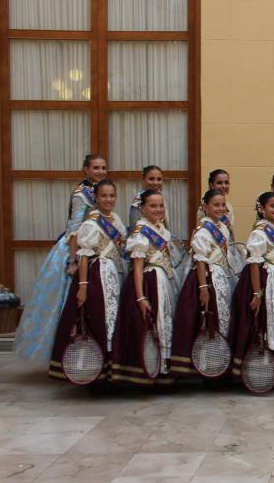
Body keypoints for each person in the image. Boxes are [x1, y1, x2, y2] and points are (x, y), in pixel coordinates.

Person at [15, 154, 106, 365]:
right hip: (76, 249)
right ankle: (65, 352)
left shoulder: (100, 191)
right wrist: (72, 260)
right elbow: (74, 229)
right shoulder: (80, 194)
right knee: (67, 304)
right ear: (86, 169)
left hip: (95, 246)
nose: (100, 171)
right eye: (96, 168)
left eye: (103, 168)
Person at [48, 179, 126, 382]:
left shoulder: (116, 220)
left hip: (115, 276)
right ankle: (94, 370)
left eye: (111, 196)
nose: (108, 200)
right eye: (104, 196)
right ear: (96, 198)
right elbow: (84, 256)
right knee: (97, 319)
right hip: (96, 277)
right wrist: (83, 286)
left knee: (114, 320)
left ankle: (112, 366)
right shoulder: (91, 224)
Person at [111, 190, 176, 385]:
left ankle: (162, 367)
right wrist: (140, 297)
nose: (158, 210)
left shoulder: (161, 229)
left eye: (161, 206)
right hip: (148, 284)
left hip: (162, 282)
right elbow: (137, 267)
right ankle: (148, 369)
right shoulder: (140, 232)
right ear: (142, 208)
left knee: (162, 323)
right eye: (153, 206)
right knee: (148, 325)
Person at [170, 189, 237, 378]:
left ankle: (221, 364)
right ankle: (206, 365)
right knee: (208, 322)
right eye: (216, 205)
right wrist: (203, 288)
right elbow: (200, 261)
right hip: (208, 279)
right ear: (205, 207)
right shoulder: (202, 230)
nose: (220, 208)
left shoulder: (222, 228)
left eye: (223, 205)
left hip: (222, 278)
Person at [230, 192, 274, 381]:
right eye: (272, 206)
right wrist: (256, 293)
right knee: (265, 324)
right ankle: (262, 371)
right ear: (262, 209)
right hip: (266, 281)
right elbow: (254, 264)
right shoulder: (258, 233)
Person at [129, 164, 189, 288]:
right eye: (151, 179)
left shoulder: (160, 199)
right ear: (143, 179)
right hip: (148, 258)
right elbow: (136, 232)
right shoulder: (137, 204)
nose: (155, 182)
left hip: (163, 251)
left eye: (159, 179)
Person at [200, 168, 245, 273]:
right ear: (211, 185)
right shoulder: (205, 207)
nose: (224, 186)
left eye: (226, 182)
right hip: (211, 253)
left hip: (227, 248)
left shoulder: (229, 206)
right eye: (219, 183)